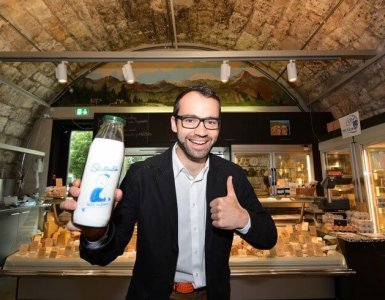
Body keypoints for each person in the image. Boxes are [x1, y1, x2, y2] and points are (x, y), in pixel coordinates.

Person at [61, 85, 277, 300]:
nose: (201, 131)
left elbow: (268, 237)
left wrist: (243, 219)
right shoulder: (142, 175)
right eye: (190, 120)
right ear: (174, 123)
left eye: (210, 121)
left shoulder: (232, 176)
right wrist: (95, 232)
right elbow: (103, 255)